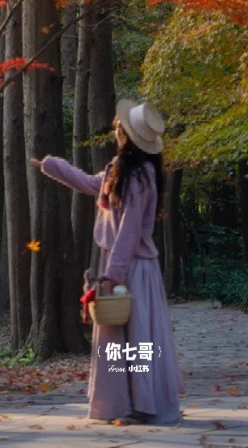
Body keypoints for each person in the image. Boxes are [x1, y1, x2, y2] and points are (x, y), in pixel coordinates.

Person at [30, 99, 183, 426]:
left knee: (136, 337)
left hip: (132, 266)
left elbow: (128, 229)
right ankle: (125, 402)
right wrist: (50, 165)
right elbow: (88, 183)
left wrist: (112, 275)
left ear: (127, 134)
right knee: (121, 338)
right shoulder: (121, 170)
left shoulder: (139, 176)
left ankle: (141, 403)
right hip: (122, 263)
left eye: (119, 127)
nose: (116, 130)